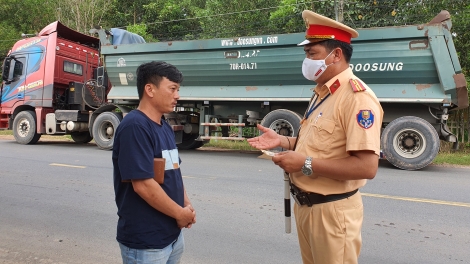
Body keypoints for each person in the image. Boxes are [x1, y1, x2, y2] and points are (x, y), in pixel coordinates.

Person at [248, 10, 383, 264]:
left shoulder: (357, 98)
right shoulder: (323, 92)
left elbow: (367, 166)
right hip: (307, 208)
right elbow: (320, 143)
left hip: (332, 212)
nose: (307, 60)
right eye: (306, 54)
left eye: (313, 54)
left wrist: (304, 164)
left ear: (337, 55)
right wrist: (283, 141)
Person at [112, 61, 196, 264]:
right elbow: (143, 185)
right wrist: (180, 214)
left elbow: (174, 171)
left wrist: (187, 206)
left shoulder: (164, 126)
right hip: (146, 242)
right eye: (173, 89)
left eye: (178, 89)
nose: (177, 95)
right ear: (150, 89)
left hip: (171, 236)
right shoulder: (135, 126)